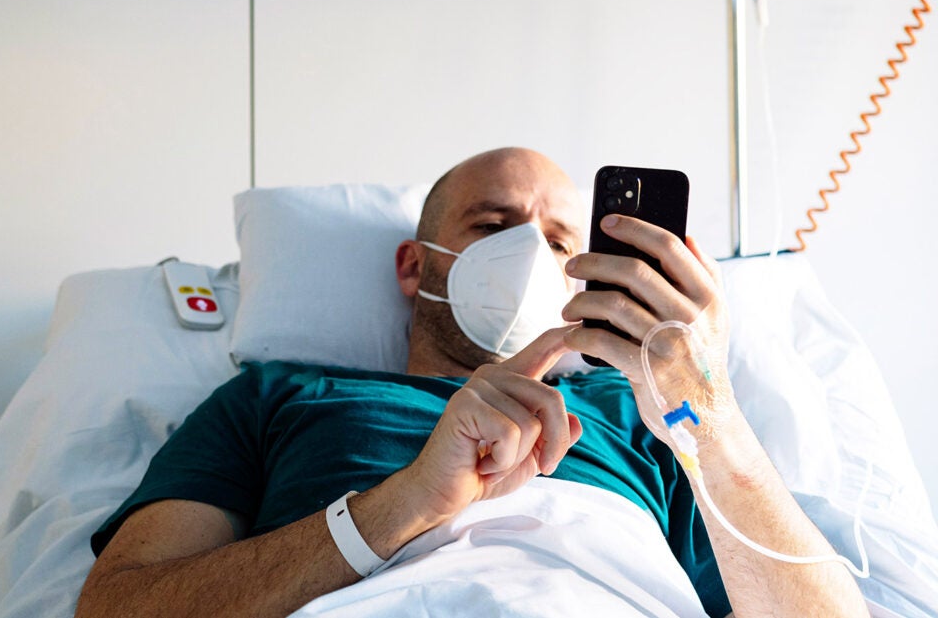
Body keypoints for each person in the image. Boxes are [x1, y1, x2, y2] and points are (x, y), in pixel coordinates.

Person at [75, 148, 867, 618]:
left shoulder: (648, 416)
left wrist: (710, 413)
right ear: (415, 265)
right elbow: (118, 609)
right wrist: (406, 503)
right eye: (492, 226)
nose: (528, 253)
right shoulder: (280, 396)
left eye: (561, 241)